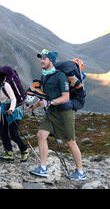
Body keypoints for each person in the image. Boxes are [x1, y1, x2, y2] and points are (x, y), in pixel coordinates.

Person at [28, 49, 86, 181]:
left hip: (64, 113)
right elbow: (44, 96)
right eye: (41, 58)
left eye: (44, 58)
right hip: (51, 112)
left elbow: (65, 97)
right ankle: (43, 168)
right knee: (41, 135)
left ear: (51, 61)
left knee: (70, 142)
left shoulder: (60, 76)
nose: (41, 61)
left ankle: (80, 171)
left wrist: (50, 102)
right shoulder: (45, 76)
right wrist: (34, 106)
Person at [0, 69, 29, 162]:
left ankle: (24, 150)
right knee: (3, 133)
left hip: (12, 112)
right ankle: (9, 153)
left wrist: (11, 109)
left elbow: (13, 98)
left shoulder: (5, 85)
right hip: (2, 111)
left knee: (13, 134)